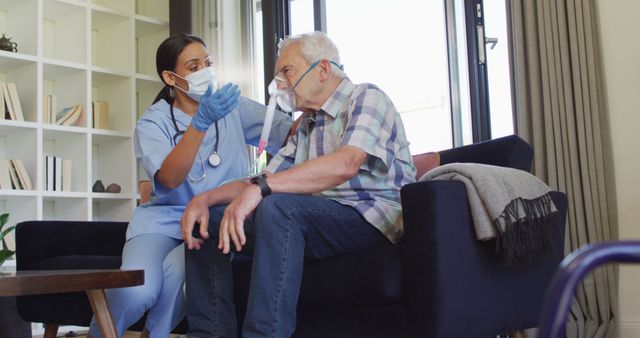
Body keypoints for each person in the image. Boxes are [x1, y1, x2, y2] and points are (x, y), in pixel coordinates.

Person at [180, 31, 417, 338]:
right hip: (318, 216)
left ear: (323, 69)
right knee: (210, 220)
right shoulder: (307, 124)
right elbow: (260, 181)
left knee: (279, 208)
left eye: (286, 71)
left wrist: (263, 189)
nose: (279, 84)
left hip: (369, 216)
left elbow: (347, 163)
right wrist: (205, 199)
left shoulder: (366, 97)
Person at [87, 34, 294, 338]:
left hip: (210, 224)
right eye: (193, 66)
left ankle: (154, 335)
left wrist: (303, 97)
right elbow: (170, 178)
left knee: (179, 278)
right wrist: (200, 123)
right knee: (138, 290)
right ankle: (98, 333)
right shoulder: (152, 123)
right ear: (170, 77)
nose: (205, 71)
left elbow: (290, 132)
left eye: (208, 63)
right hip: (162, 222)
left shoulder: (233, 107)